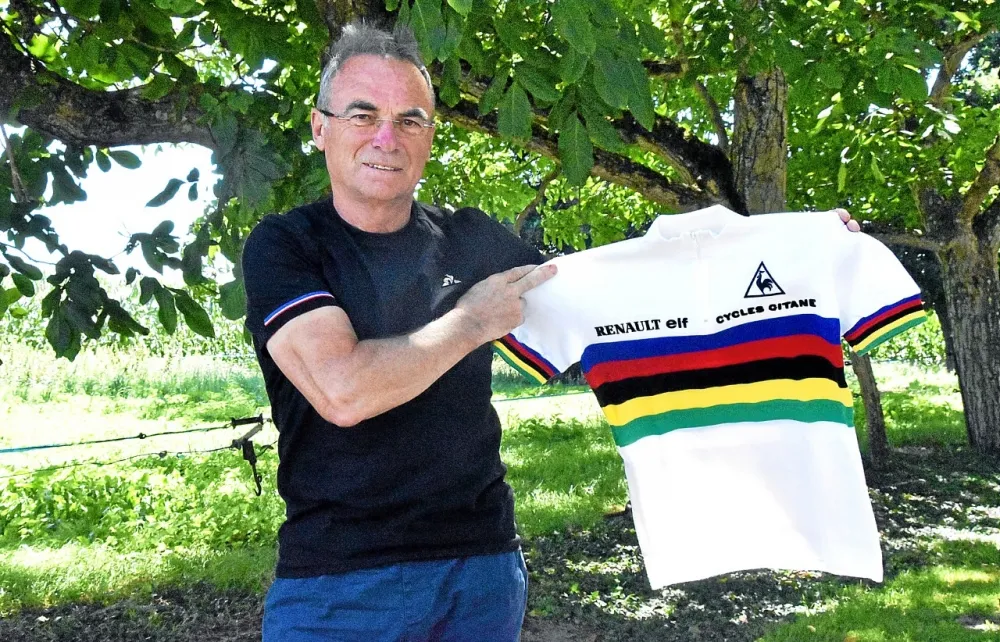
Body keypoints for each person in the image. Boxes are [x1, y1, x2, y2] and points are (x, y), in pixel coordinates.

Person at [242, 21, 860, 642]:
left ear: (430, 136)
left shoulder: (469, 237)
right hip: (338, 583)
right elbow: (342, 390)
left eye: (410, 119)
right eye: (362, 115)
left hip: (480, 572)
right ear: (320, 127)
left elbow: (613, 292)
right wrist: (470, 322)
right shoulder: (285, 246)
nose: (386, 137)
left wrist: (792, 247)